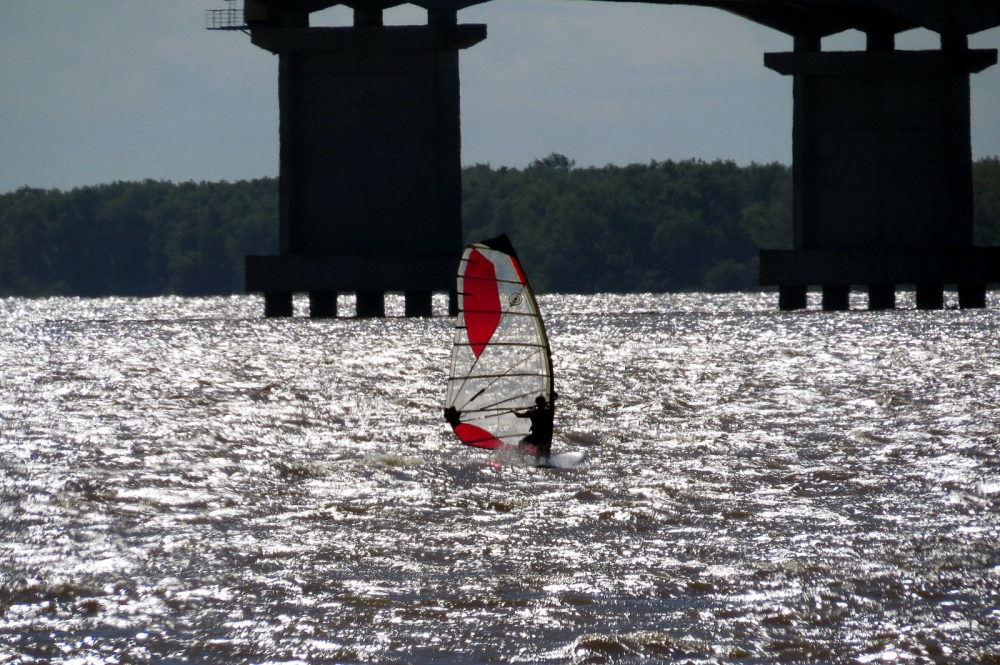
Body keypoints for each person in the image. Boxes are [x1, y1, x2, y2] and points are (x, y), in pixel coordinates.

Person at [515, 393, 556, 461]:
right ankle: (547, 462)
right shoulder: (549, 412)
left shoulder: (532, 413)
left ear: (536, 403)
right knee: (541, 454)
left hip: (536, 438)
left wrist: (513, 410)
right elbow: (552, 405)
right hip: (546, 438)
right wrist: (553, 398)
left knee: (521, 443)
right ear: (544, 403)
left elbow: (519, 415)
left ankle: (522, 459)